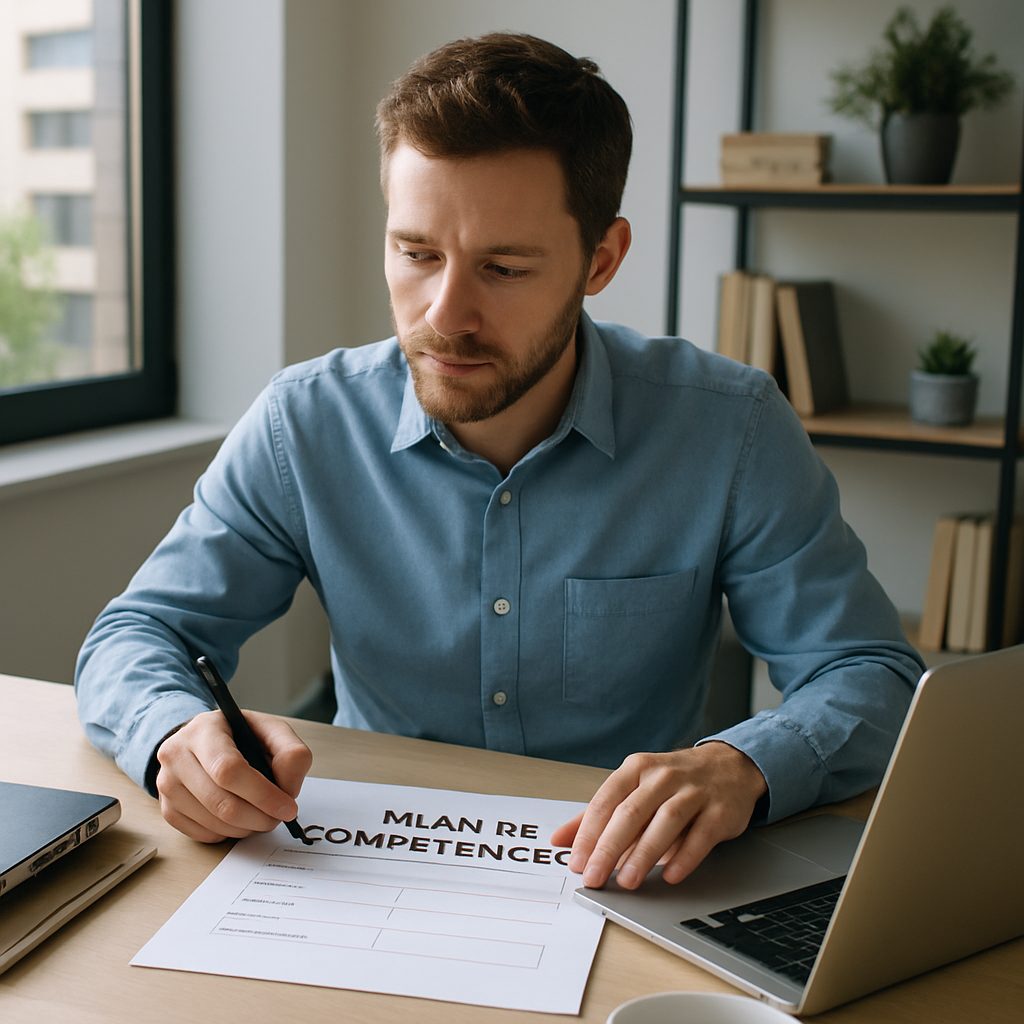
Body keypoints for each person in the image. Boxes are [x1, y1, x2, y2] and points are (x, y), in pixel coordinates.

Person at [75, 32, 923, 892]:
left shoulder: (730, 429)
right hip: (363, 875)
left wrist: (742, 765)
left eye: (504, 267)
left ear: (602, 260)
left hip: (625, 882)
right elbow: (138, 635)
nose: (447, 314)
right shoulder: (305, 423)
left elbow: (871, 675)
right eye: (416, 254)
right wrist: (172, 734)